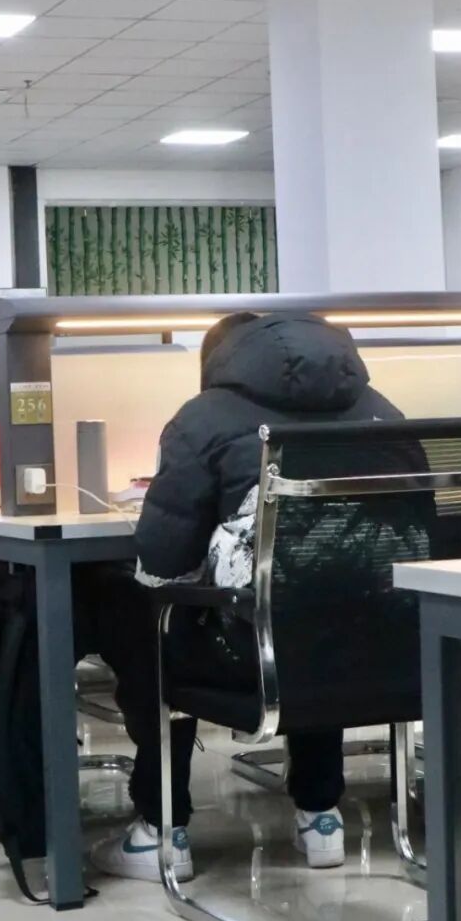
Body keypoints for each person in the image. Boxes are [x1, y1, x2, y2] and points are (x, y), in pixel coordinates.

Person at [90, 310, 404, 884]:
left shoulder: (204, 418)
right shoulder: (383, 411)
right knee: (324, 603)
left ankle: (162, 830)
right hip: (380, 653)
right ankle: (321, 817)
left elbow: (162, 564)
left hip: (247, 658)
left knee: (151, 624)